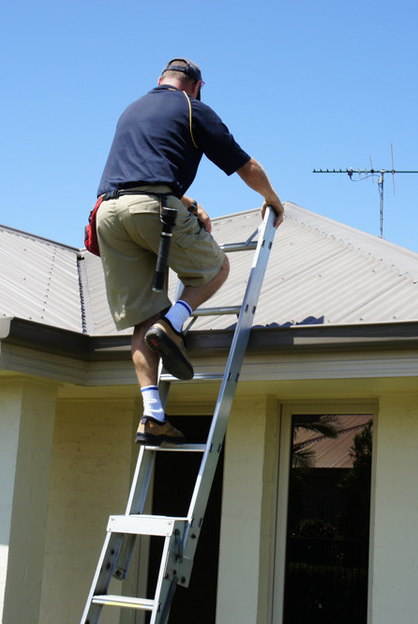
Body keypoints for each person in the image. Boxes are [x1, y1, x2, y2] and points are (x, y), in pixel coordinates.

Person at [95, 58, 284, 446]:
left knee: (143, 316)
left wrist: (185, 199)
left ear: (160, 80)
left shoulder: (132, 109)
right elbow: (245, 165)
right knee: (216, 268)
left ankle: (152, 417)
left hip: (107, 213)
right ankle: (175, 323)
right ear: (196, 86)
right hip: (150, 206)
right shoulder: (190, 108)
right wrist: (273, 200)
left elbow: (140, 168)